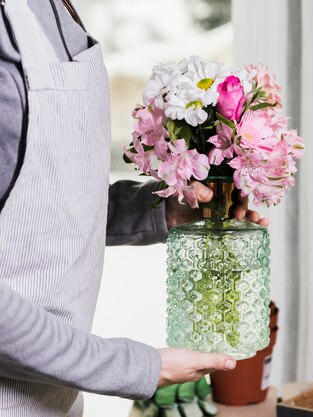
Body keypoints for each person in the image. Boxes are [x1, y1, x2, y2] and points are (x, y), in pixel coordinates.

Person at [0, 0, 268, 415]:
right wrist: (136, 367)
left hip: (55, 400)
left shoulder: (53, 12)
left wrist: (159, 210)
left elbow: (37, 204)